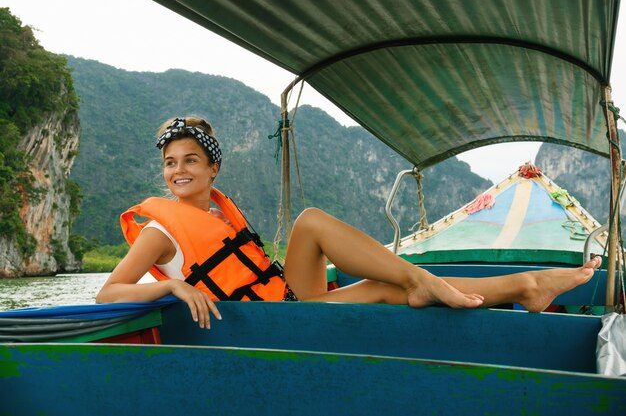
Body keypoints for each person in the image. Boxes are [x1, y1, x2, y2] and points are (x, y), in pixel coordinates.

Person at [96, 116, 602, 329]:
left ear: (212, 169)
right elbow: (110, 292)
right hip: (264, 326)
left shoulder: (213, 216)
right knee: (385, 287)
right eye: (169, 163)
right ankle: (523, 285)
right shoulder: (161, 229)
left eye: (189, 160)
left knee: (310, 222)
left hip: (282, 303)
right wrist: (172, 291)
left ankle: (513, 285)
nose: (177, 171)